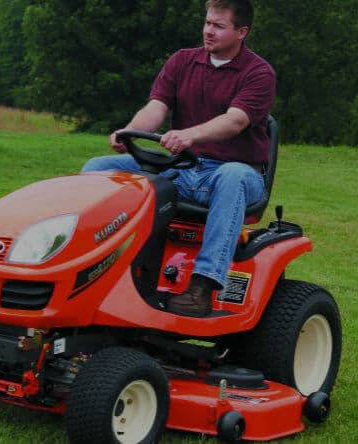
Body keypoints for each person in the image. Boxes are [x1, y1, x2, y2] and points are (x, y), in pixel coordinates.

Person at [81, 0, 275, 317]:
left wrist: (190, 135)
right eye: (207, 22)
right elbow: (156, 108)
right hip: (183, 168)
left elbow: (236, 120)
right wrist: (129, 131)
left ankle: (202, 285)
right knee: (99, 169)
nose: (208, 31)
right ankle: (95, 265)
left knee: (233, 176)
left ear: (242, 32)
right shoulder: (182, 61)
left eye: (218, 25)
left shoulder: (258, 73)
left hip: (235, 174)